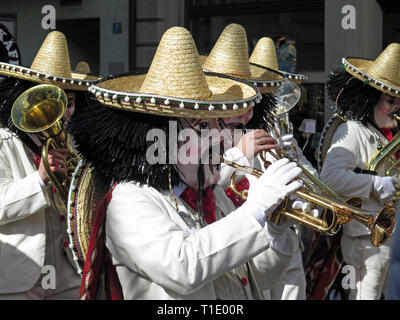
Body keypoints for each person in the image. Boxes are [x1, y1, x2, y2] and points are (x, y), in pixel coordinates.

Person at [68, 26, 306, 300]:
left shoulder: (212, 193)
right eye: (201, 125)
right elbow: (182, 268)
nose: (221, 135)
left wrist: (275, 230)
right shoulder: (128, 200)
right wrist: (254, 210)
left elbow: (257, 278)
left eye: (216, 123)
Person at [0, 31, 98, 299]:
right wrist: (39, 179)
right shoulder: (4, 142)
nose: (65, 112)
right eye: (57, 101)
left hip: (67, 269)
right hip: (19, 275)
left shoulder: (72, 144)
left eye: (71, 102)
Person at [318, 43, 400, 300]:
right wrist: (374, 183)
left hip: (386, 236)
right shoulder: (352, 131)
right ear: (370, 98)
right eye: (390, 99)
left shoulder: (388, 135)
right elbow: (329, 178)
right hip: (364, 238)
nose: (397, 107)